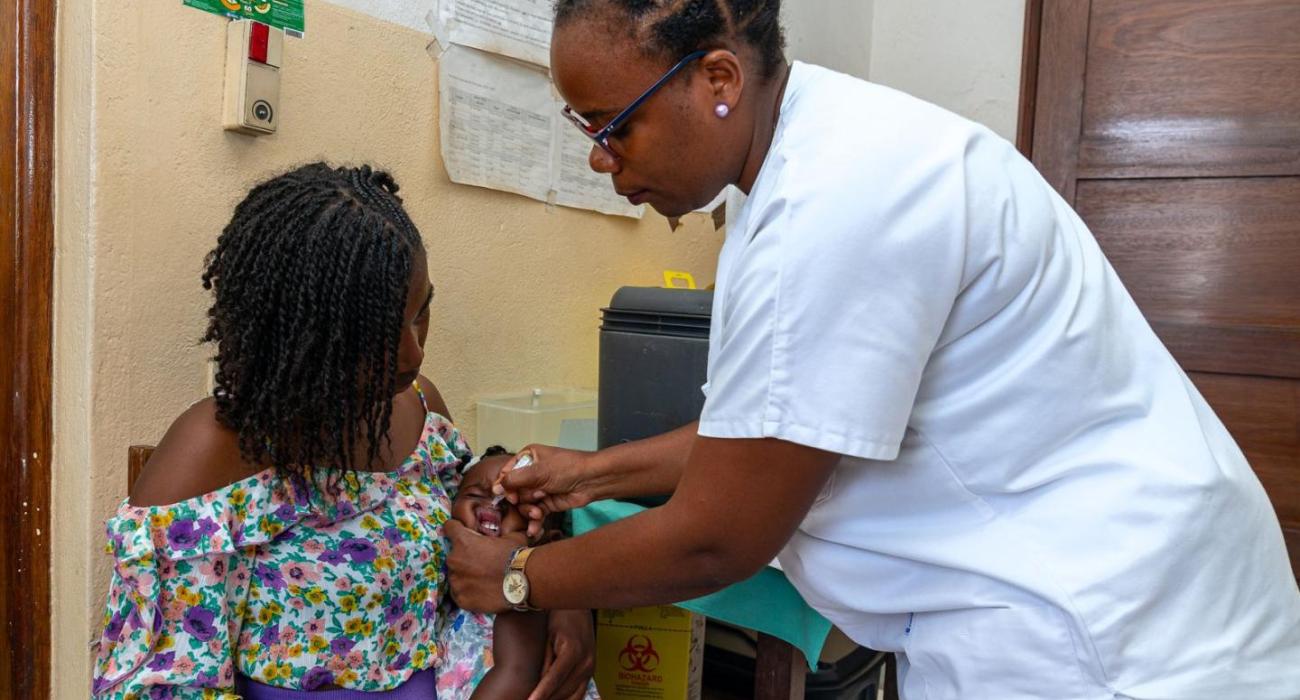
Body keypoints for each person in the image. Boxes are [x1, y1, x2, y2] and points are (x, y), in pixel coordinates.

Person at [445, 2, 1300, 699]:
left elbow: (719, 537)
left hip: (1101, 630)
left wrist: (518, 576)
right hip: (1100, 590)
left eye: (613, 126)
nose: (599, 159)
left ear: (717, 79)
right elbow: (775, 431)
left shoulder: (835, 201)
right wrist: (580, 473)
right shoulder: (803, 165)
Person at [90, 163, 595, 700]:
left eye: (420, 315)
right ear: (300, 332)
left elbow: (482, 549)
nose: (412, 353)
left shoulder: (420, 407)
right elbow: (161, 685)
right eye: (374, 334)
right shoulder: (216, 449)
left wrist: (557, 597)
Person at [440, 447, 601, 700]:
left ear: (547, 543)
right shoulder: (457, 590)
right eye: (473, 494)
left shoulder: (518, 594)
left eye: (514, 505)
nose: (493, 505)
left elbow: (515, 676)